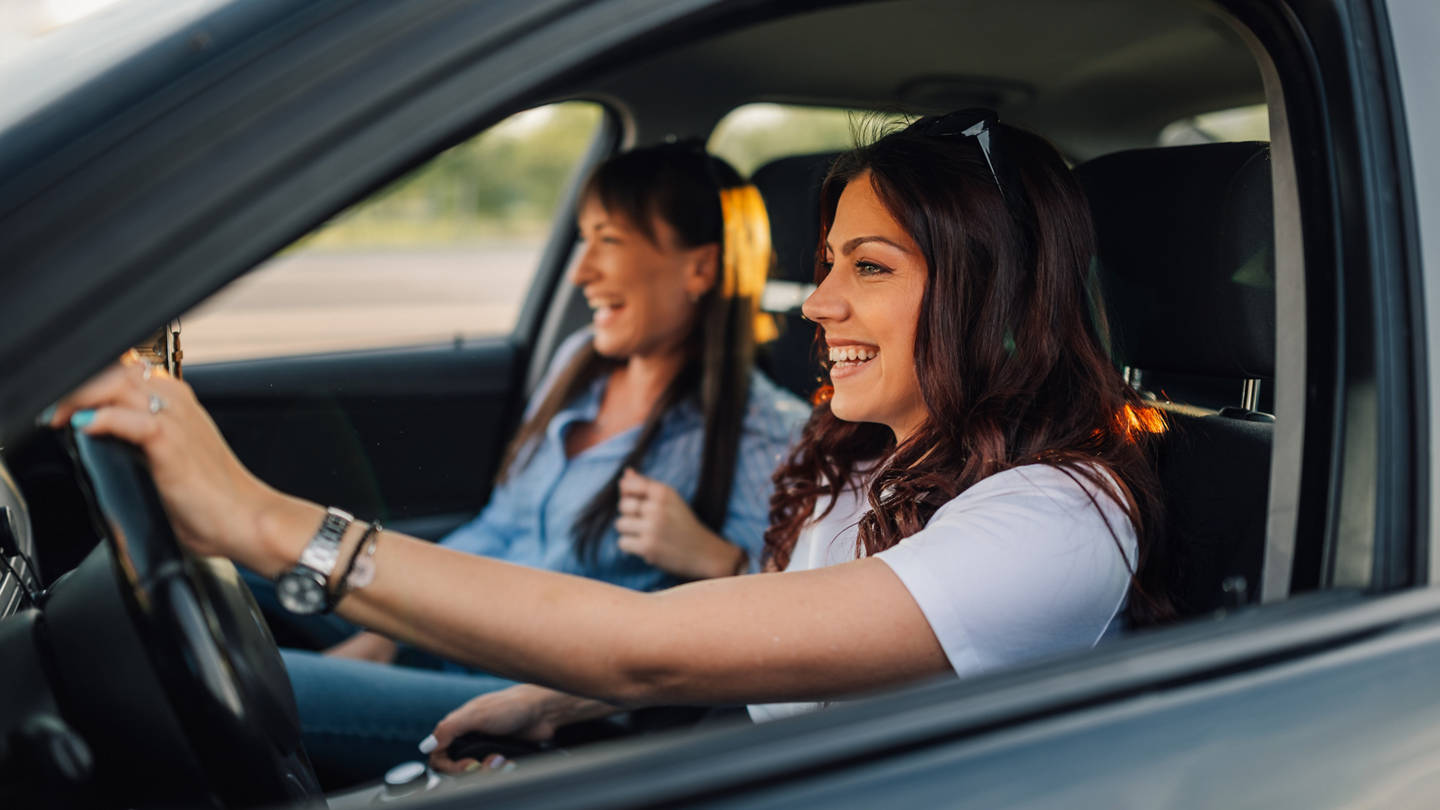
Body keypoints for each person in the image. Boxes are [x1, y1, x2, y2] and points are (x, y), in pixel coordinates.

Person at [52, 109, 1173, 780]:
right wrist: (554, 702)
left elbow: (653, 645)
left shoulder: (1056, 520)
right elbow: (732, 650)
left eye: (867, 268)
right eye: (824, 263)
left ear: (993, 293)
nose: (813, 305)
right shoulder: (878, 461)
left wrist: (264, 522)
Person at [240, 145, 810, 783]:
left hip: (530, 697)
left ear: (701, 268)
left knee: (251, 690)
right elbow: (498, 527)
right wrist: (391, 631)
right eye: (582, 239)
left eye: (609, 240)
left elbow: (773, 632)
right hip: (445, 636)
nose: (581, 271)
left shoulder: (768, 435)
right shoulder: (578, 363)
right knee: (233, 562)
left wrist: (715, 561)